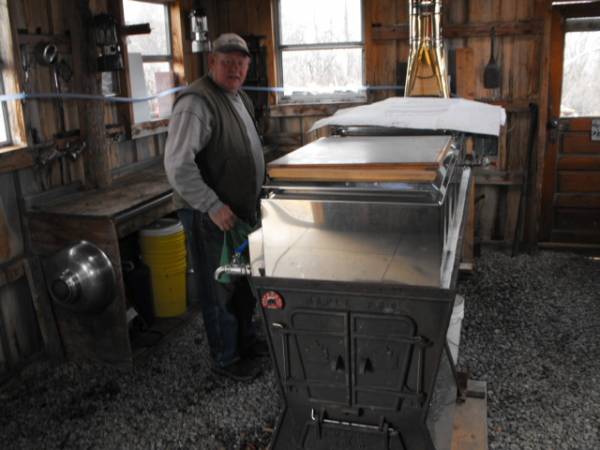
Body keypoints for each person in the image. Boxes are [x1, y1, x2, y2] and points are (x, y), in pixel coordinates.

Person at [164, 33, 267, 381]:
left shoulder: (239, 98)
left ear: (248, 65)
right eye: (227, 62)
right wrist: (211, 205)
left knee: (242, 282)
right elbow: (179, 164)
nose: (234, 68)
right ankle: (226, 359)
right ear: (211, 63)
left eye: (240, 62)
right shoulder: (197, 103)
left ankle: (246, 342)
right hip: (212, 216)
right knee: (219, 289)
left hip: (239, 215)